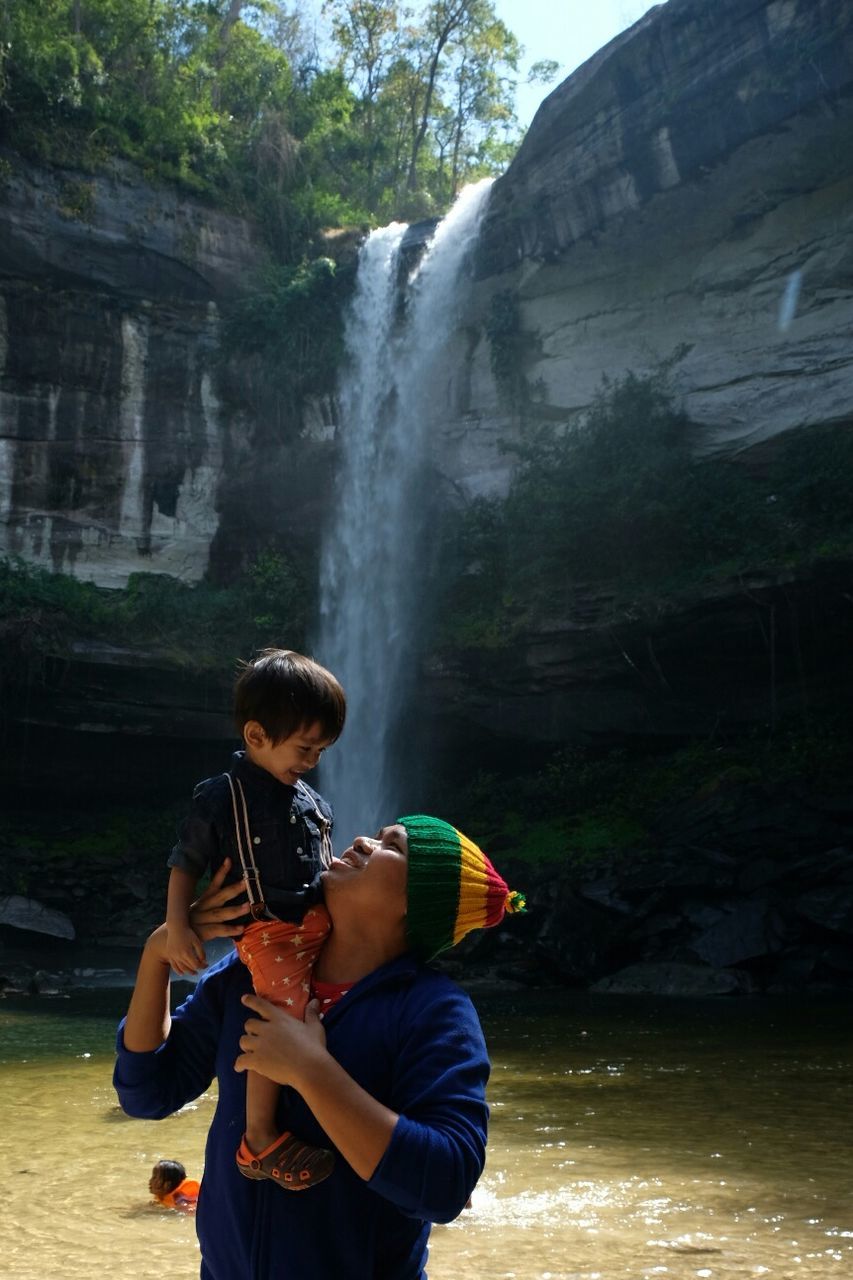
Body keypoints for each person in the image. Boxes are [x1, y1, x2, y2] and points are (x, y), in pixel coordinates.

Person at [114, 814, 525, 1279]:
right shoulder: (250, 972)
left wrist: (312, 1070)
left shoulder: (434, 1012)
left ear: (419, 902)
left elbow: (446, 1184)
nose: (364, 841)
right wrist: (157, 955)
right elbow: (146, 1092)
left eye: (393, 845)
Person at [164, 647, 346, 1190]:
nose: (312, 760)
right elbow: (184, 863)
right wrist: (178, 926)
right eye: (305, 747)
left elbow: (327, 867)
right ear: (256, 736)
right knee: (284, 1009)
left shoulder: (310, 800)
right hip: (267, 929)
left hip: (314, 922)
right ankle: (259, 1138)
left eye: (321, 750)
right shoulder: (221, 798)